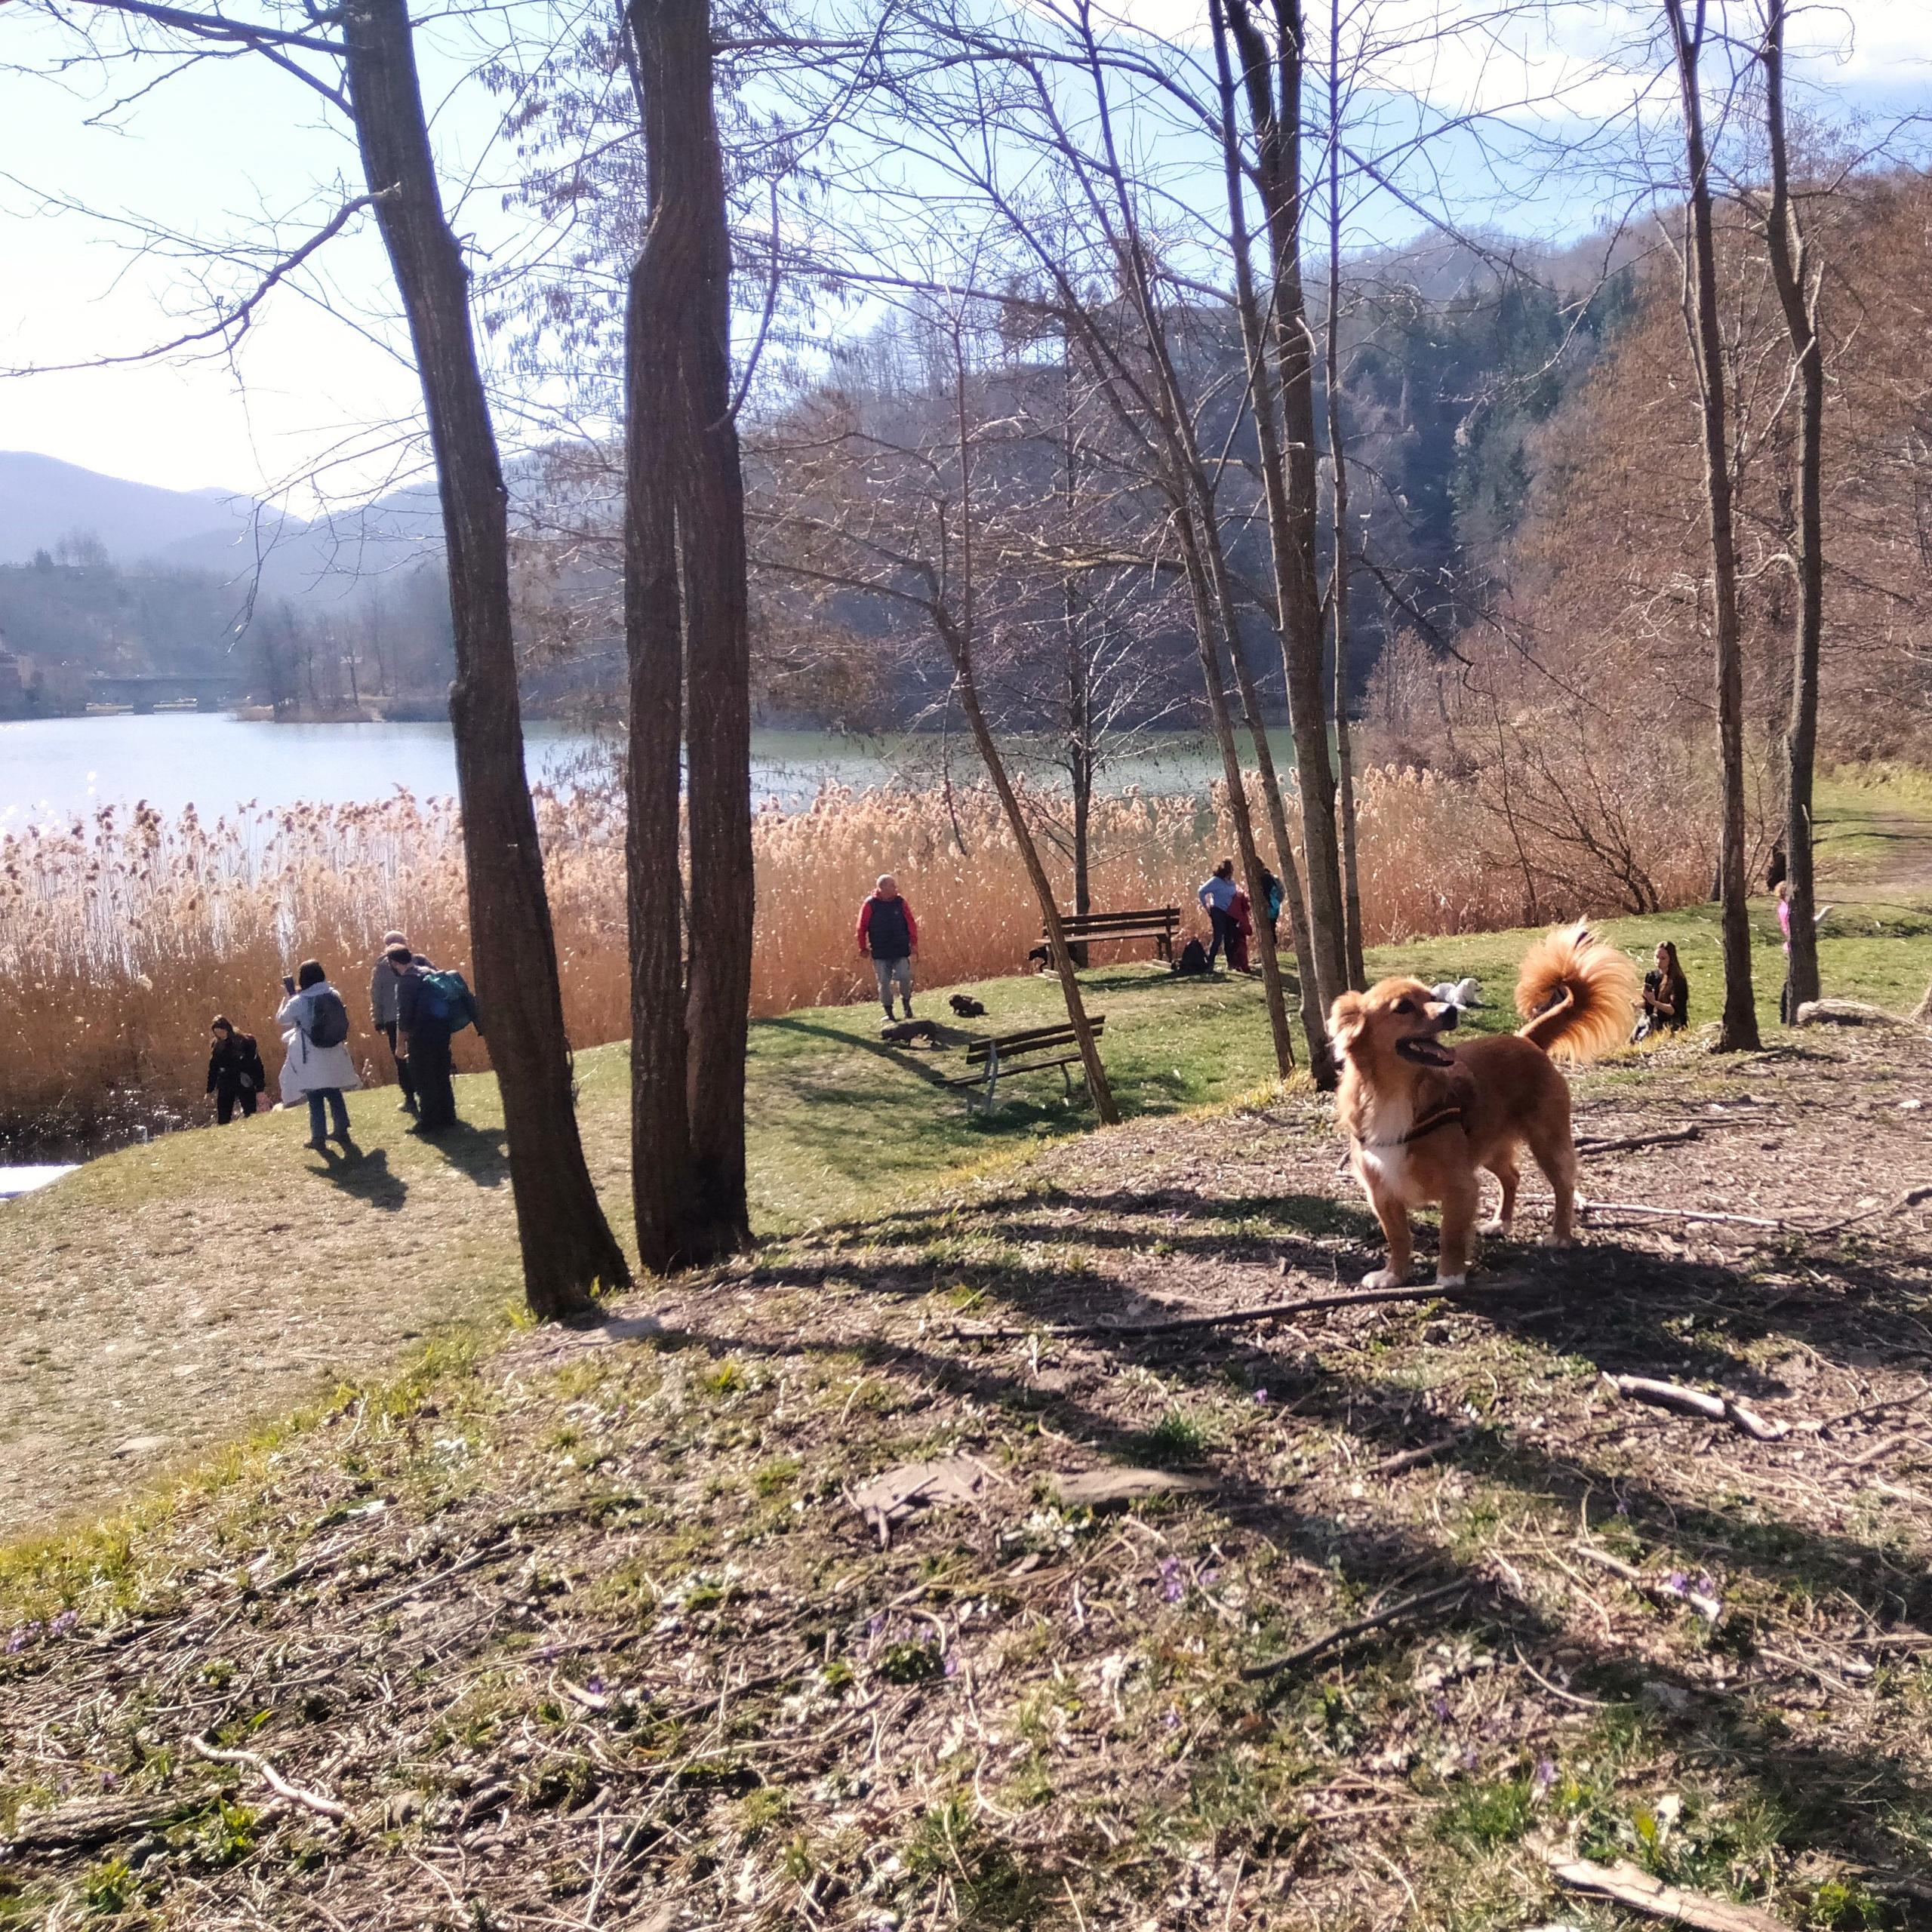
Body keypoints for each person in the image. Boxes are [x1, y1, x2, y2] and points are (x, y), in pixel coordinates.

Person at [276, 959, 360, 1150]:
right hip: (334, 1050)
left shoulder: (299, 1001)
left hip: (311, 1054)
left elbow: (282, 1019)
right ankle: (342, 1130)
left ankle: (318, 1137)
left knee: (315, 1097)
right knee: (333, 1092)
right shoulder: (333, 994)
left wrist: (287, 997)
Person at [396, 950, 477, 1133]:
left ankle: (429, 1120)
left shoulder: (406, 981)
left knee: (424, 1078)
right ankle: (448, 1116)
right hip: (441, 1031)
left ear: (394, 963)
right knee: (441, 1074)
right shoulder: (429, 972)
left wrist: (400, 1043)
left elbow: (404, 1014)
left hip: (421, 1035)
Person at [371, 928, 427, 1115]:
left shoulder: (380, 966)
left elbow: (376, 994)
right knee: (422, 1055)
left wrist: (377, 1019)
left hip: (391, 1019)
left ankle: (410, 1098)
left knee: (401, 1059)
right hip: (419, 1016)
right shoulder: (418, 960)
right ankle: (427, 1093)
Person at [857, 874, 918, 1025]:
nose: (895, 888)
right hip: (880, 951)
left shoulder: (900, 902)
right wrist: (862, 947)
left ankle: (907, 1006)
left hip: (900, 948)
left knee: (904, 977)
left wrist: (914, 943)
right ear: (882, 887)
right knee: (884, 982)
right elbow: (861, 927)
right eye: (892, 886)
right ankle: (889, 1013)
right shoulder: (870, 904)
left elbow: (911, 923)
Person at [205, 1015, 266, 1124]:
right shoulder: (217, 1046)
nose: (220, 1036)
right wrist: (210, 1090)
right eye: (217, 1033)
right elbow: (213, 1069)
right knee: (223, 1117)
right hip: (226, 1082)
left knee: (250, 1113)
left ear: (227, 1029)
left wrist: (259, 1087)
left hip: (243, 1081)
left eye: (221, 1032)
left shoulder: (244, 1041)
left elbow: (256, 1065)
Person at [1633, 940, 1689, 1041]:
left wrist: (1654, 1002)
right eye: (1657, 957)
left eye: (1663, 958)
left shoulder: (1678, 981)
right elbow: (1649, 1007)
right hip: (1653, 1020)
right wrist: (1637, 1005)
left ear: (1671, 959)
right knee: (1635, 1038)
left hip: (1671, 1024)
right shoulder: (1652, 976)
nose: (1659, 961)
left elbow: (1674, 1010)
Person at [1197, 857, 1239, 971]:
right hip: (1218, 911)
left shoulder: (1231, 883)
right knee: (1218, 937)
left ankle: (1231, 963)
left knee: (1229, 938)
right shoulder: (1215, 881)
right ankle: (1210, 963)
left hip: (1230, 912)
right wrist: (1206, 906)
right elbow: (1202, 891)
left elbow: (1235, 895)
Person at [1226, 882, 1256, 974]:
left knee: (1233, 943)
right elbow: (1246, 908)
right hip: (1238, 921)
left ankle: (1236, 964)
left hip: (1229, 919)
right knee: (1241, 944)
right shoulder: (1241, 895)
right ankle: (1244, 966)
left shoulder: (1231, 893)